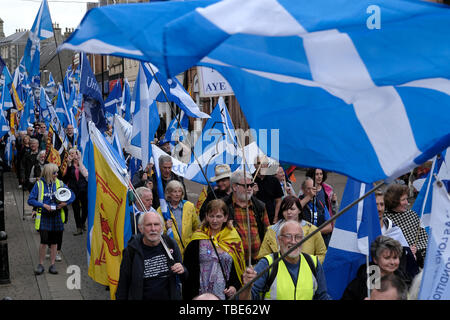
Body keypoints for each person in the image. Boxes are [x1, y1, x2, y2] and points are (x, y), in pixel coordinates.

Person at [240, 220, 330, 300]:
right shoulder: (267, 264)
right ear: (279, 240)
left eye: (298, 237)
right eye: (288, 236)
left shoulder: (313, 263)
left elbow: (322, 296)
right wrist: (247, 288)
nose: (293, 241)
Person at [115, 211, 187, 300]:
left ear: (161, 227)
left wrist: (182, 270)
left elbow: (184, 276)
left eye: (156, 224)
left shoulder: (170, 244)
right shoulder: (132, 250)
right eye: (148, 225)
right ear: (141, 228)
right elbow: (123, 283)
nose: (153, 229)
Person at [183, 199, 245, 300]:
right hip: (200, 294)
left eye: (219, 216)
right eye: (211, 216)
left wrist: (234, 286)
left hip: (224, 295)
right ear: (206, 217)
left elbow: (238, 266)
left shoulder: (233, 238)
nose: (214, 220)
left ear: (225, 218)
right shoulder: (198, 238)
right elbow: (188, 269)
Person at [28, 163, 74, 275]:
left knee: (54, 242)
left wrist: (65, 203)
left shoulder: (60, 183)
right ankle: (41, 265)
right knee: (43, 242)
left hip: (56, 215)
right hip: (44, 215)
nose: (57, 174)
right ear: (49, 173)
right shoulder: (39, 185)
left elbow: (72, 195)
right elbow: (30, 200)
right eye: (55, 173)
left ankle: (52, 265)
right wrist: (44, 205)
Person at [257, 195, 327, 263]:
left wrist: (310, 264)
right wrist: (275, 267)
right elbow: (263, 256)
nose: (289, 212)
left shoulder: (312, 230)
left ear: (299, 210)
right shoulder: (272, 231)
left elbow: (322, 254)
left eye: (292, 209)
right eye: (285, 209)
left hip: (305, 273)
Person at [222, 170, 270, 265]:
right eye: (246, 185)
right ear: (235, 187)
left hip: (257, 262)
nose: (249, 188)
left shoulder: (259, 206)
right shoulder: (223, 206)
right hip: (233, 263)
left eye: (251, 185)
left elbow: (267, 233)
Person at [341, 235, 411, 300]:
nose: (392, 262)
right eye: (387, 258)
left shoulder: (404, 279)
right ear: (375, 259)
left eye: (395, 257)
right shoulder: (362, 282)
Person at [376, 190, 420, 281]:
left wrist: (412, 255)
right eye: (376, 205)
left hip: (395, 281)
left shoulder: (394, 230)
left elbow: (406, 259)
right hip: (372, 276)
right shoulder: (363, 233)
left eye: (382, 204)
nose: (379, 209)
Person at [383, 183, 428, 268]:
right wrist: (405, 251)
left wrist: (417, 250)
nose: (407, 203)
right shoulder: (384, 219)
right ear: (394, 200)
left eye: (407, 199)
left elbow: (424, 240)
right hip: (395, 266)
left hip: (417, 264)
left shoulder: (412, 215)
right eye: (403, 200)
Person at [157, 180, 199, 255]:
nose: (177, 194)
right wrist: (165, 228)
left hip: (188, 249)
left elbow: (196, 227)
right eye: (174, 191)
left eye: (179, 191)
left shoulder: (189, 206)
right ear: (169, 193)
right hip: (171, 250)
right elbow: (157, 232)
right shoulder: (162, 210)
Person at [299, 177, 333, 247]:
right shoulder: (298, 201)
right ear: (303, 190)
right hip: (304, 241)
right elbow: (296, 209)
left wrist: (314, 232)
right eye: (308, 189)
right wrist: (309, 196)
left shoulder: (321, 203)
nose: (312, 191)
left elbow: (329, 227)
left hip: (320, 241)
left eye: (313, 189)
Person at [62, 149, 88, 236]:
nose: (73, 155)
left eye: (74, 153)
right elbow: (65, 179)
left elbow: (87, 176)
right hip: (74, 190)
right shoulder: (69, 165)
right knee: (76, 209)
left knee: (85, 208)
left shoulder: (83, 163)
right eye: (71, 154)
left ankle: (83, 222)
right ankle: (78, 227)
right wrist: (69, 166)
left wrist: (80, 163)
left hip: (83, 189)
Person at [253, 155, 283, 224]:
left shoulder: (274, 180)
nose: (262, 166)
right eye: (259, 163)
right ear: (255, 165)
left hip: (270, 217)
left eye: (264, 163)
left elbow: (279, 200)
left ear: (267, 165)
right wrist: (252, 193)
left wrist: (276, 217)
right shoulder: (250, 179)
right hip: (255, 216)